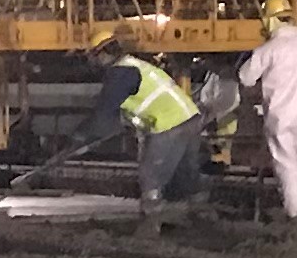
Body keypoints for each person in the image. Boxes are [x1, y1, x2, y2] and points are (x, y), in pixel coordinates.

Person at [78, 27, 205, 228]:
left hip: (169, 124)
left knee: (150, 176)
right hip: (191, 119)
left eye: (94, 56)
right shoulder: (136, 66)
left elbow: (103, 113)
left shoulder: (120, 73)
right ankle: (202, 217)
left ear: (102, 53)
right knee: (186, 173)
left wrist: (80, 136)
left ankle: (150, 224)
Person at [237, 0, 297, 221]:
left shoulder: (268, 50)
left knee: (286, 163)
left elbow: (246, 77)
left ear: (269, 19)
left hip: (281, 117)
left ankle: (295, 213)